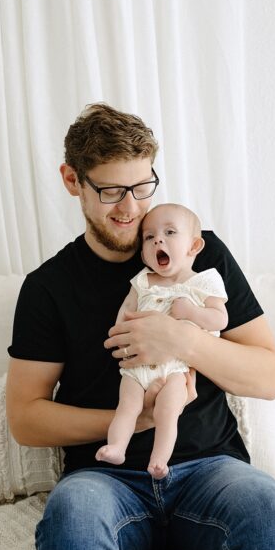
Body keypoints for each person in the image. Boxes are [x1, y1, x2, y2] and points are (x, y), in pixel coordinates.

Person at [6, 102, 275, 550]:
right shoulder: (49, 287)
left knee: (270, 510)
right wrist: (135, 419)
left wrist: (183, 340)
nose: (133, 208)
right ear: (72, 181)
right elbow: (25, 417)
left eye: (142, 187)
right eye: (111, 191)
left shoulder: (201, 253)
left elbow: (266, 377)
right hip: (108, 481)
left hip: (210, 471)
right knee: (69, 517)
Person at [95, 203, 229, 480]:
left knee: (168, 411)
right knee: (127, 407)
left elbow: (220, 320)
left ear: (193, 246)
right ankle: (117, 446)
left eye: (170, 232)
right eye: (149, 237)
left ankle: (159, 461)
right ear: (144, 252)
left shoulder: (204, 282)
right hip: (136, 366)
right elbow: (126, 309)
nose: (158, 239)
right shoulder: (143, 281)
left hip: (176, 371)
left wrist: (191, 313)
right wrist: (121, 333)